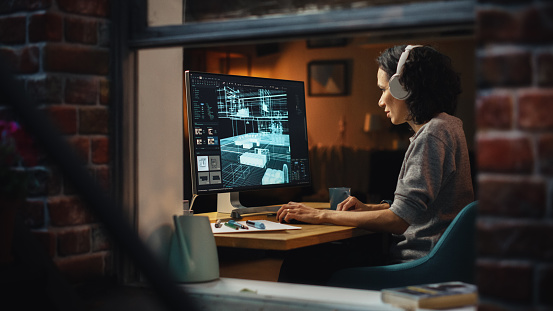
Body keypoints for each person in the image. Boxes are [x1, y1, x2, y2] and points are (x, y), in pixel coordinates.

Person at [276, 44, 474, 285]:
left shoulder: (432, 134)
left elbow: (398, 221)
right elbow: (418, 209)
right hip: (440, 261)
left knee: (301, 263)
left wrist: (319, 215)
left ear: (404, 87)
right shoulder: (451, 126)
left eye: (383, 90)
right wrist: (369, 208)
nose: (380, 101)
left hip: (418, 265)